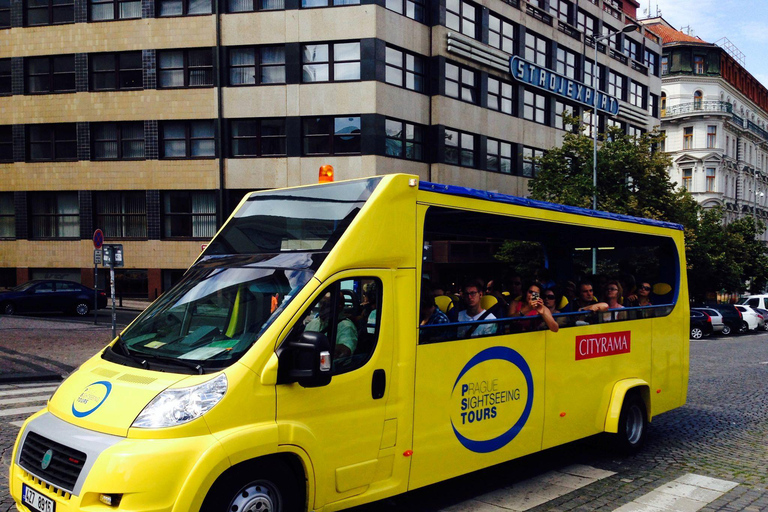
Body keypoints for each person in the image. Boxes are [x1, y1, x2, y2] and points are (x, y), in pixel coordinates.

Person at [305, 292, 358, 357]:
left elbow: (346, 350)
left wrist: (321, 346)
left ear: (339, 307)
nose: (322, 307)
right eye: (321, 303)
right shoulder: (312, 323)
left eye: (326, 304)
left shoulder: (346, 326)